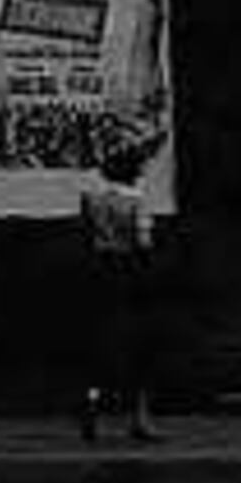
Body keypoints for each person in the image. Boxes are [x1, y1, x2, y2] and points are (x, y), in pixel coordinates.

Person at [76, 132, 161, 445]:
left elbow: (84, 234)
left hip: (98, 271)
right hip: (127, 272)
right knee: (139, 347)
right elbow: (143, 243)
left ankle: (92, 410)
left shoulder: (91, 197)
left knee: (98, 346)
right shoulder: (136, 200)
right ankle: (139, 418)